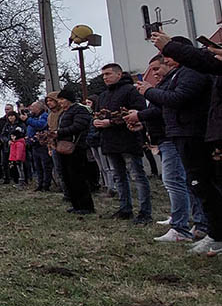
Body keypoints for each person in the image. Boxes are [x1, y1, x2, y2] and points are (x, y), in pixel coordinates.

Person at [152, 31, 222, 255]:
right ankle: (213, 232)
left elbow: (178, 99)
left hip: (193, 132)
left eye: (166, 56)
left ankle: (206, 230)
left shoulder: (192, 72)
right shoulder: (180, 73)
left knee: (197, 183)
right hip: (188, 132)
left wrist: (149, 92)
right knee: (198, 184)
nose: (165, 61)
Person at [127, 54, 207, 242]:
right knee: (185, 182)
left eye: (156, 69)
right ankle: (196, 223)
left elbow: (167, 106)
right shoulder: (170, 81)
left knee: (174, 181)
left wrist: (142, 110)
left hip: (173, 136)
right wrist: (143, 123)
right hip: (168, 135)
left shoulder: (179, 80)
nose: (154, 74)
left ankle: (181, 226)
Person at [94, 63, 153, 224]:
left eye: (108, 74)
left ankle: (144, 212)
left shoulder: (131, 91)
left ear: (119, 74)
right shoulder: (103, 96)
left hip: (128, 140)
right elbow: (97, 114)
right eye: (103, 75)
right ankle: (125, 208)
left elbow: (138, 112)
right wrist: (97, 122)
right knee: (119, 177)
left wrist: (111, 122)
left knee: (137, 176)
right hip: (109, 141)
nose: (105, 77)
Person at [55, 89, 95, 214]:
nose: (60, 102)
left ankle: (86, 206)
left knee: (78, 177)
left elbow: (79, 126)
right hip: (64, 147)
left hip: (76, 147)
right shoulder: (64, 113)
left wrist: (60, 132)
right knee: (68, 177)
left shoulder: (79, 110)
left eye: (62, 99)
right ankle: (76, 204)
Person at [25, 101, 52, 191]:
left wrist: (27, 120)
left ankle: (46, 185)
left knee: (45, 165)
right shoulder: (33, 117)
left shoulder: (44, 116)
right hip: (33, 145)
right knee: (38, 166)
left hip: (42, 144)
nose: (31, 109)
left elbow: (41, 125)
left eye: (32, 107)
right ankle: (39, 184)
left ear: (38, 108)